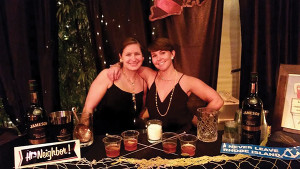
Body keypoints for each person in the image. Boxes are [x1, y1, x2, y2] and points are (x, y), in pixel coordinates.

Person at [108, 38, 223, 133]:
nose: (159, 59)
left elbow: (217, 101)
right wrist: (117, 66)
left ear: (172, 54)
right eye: (154, 55)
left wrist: (201, 121)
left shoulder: (187, 81)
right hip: (155, 140)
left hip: (182, 139)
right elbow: (130, 65)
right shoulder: (149, 75)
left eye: (163, 53)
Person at [81, 37, 147, 135]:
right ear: (121, 57)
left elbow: (141, 112)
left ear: (142, 57)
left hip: (130, 140)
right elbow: (87, 110)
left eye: (137, 54)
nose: (133, 58)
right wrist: (84, 138)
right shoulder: (107, 75)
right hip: (103, 140)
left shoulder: (143, 81)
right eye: (128, 54)